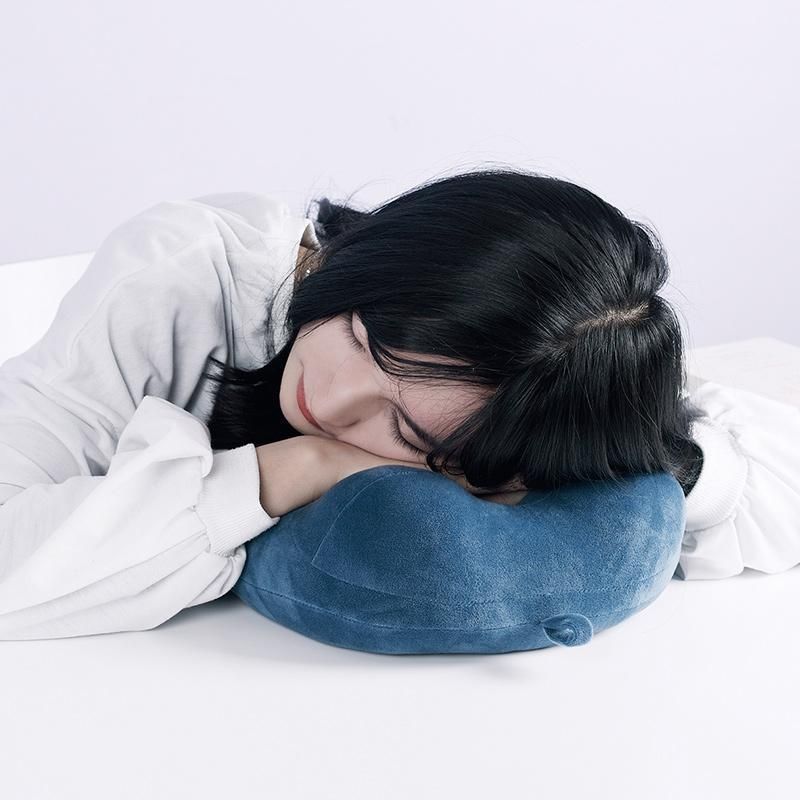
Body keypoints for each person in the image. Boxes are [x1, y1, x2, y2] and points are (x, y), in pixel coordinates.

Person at [0, 168, 797, 641]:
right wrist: (297, 467)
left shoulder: (555, 363)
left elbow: (775, 481)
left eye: (405, 426)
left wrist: (651, 462)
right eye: (360, 335)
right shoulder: (187, 272)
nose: (331, 398)